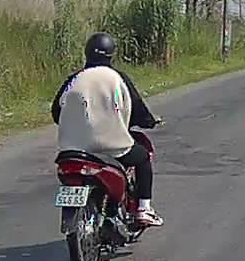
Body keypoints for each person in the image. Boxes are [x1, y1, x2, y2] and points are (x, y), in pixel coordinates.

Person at [51, 32, 164, 227]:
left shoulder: (75, 79)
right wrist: (149, 121)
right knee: (143, 157)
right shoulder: (117, 78)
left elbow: (56, 111)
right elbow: (137, 108)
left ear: (87, 53)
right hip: (111, 146)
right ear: (112, 54)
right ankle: (143, 209)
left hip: (72, 149)